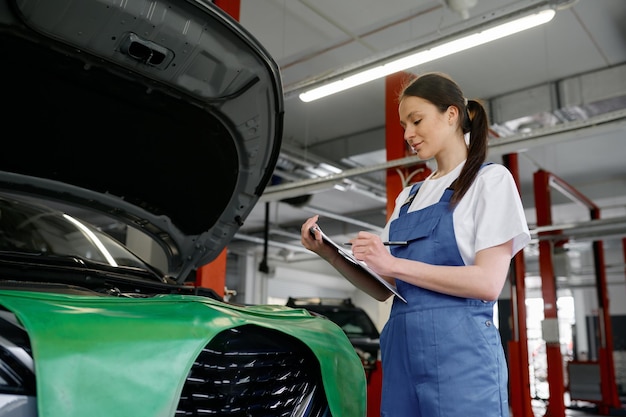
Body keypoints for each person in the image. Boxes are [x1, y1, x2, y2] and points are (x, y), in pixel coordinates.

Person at [300, 72, 530, 417]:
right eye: (404, 125)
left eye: (416, 120)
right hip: (402, 355)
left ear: (451, 115)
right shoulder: (410, 196)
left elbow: (487, 283)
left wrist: (392, 264)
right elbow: (384, 287)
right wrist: (330, 253)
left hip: (462, 359)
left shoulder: (489, 181)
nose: (408, 134)